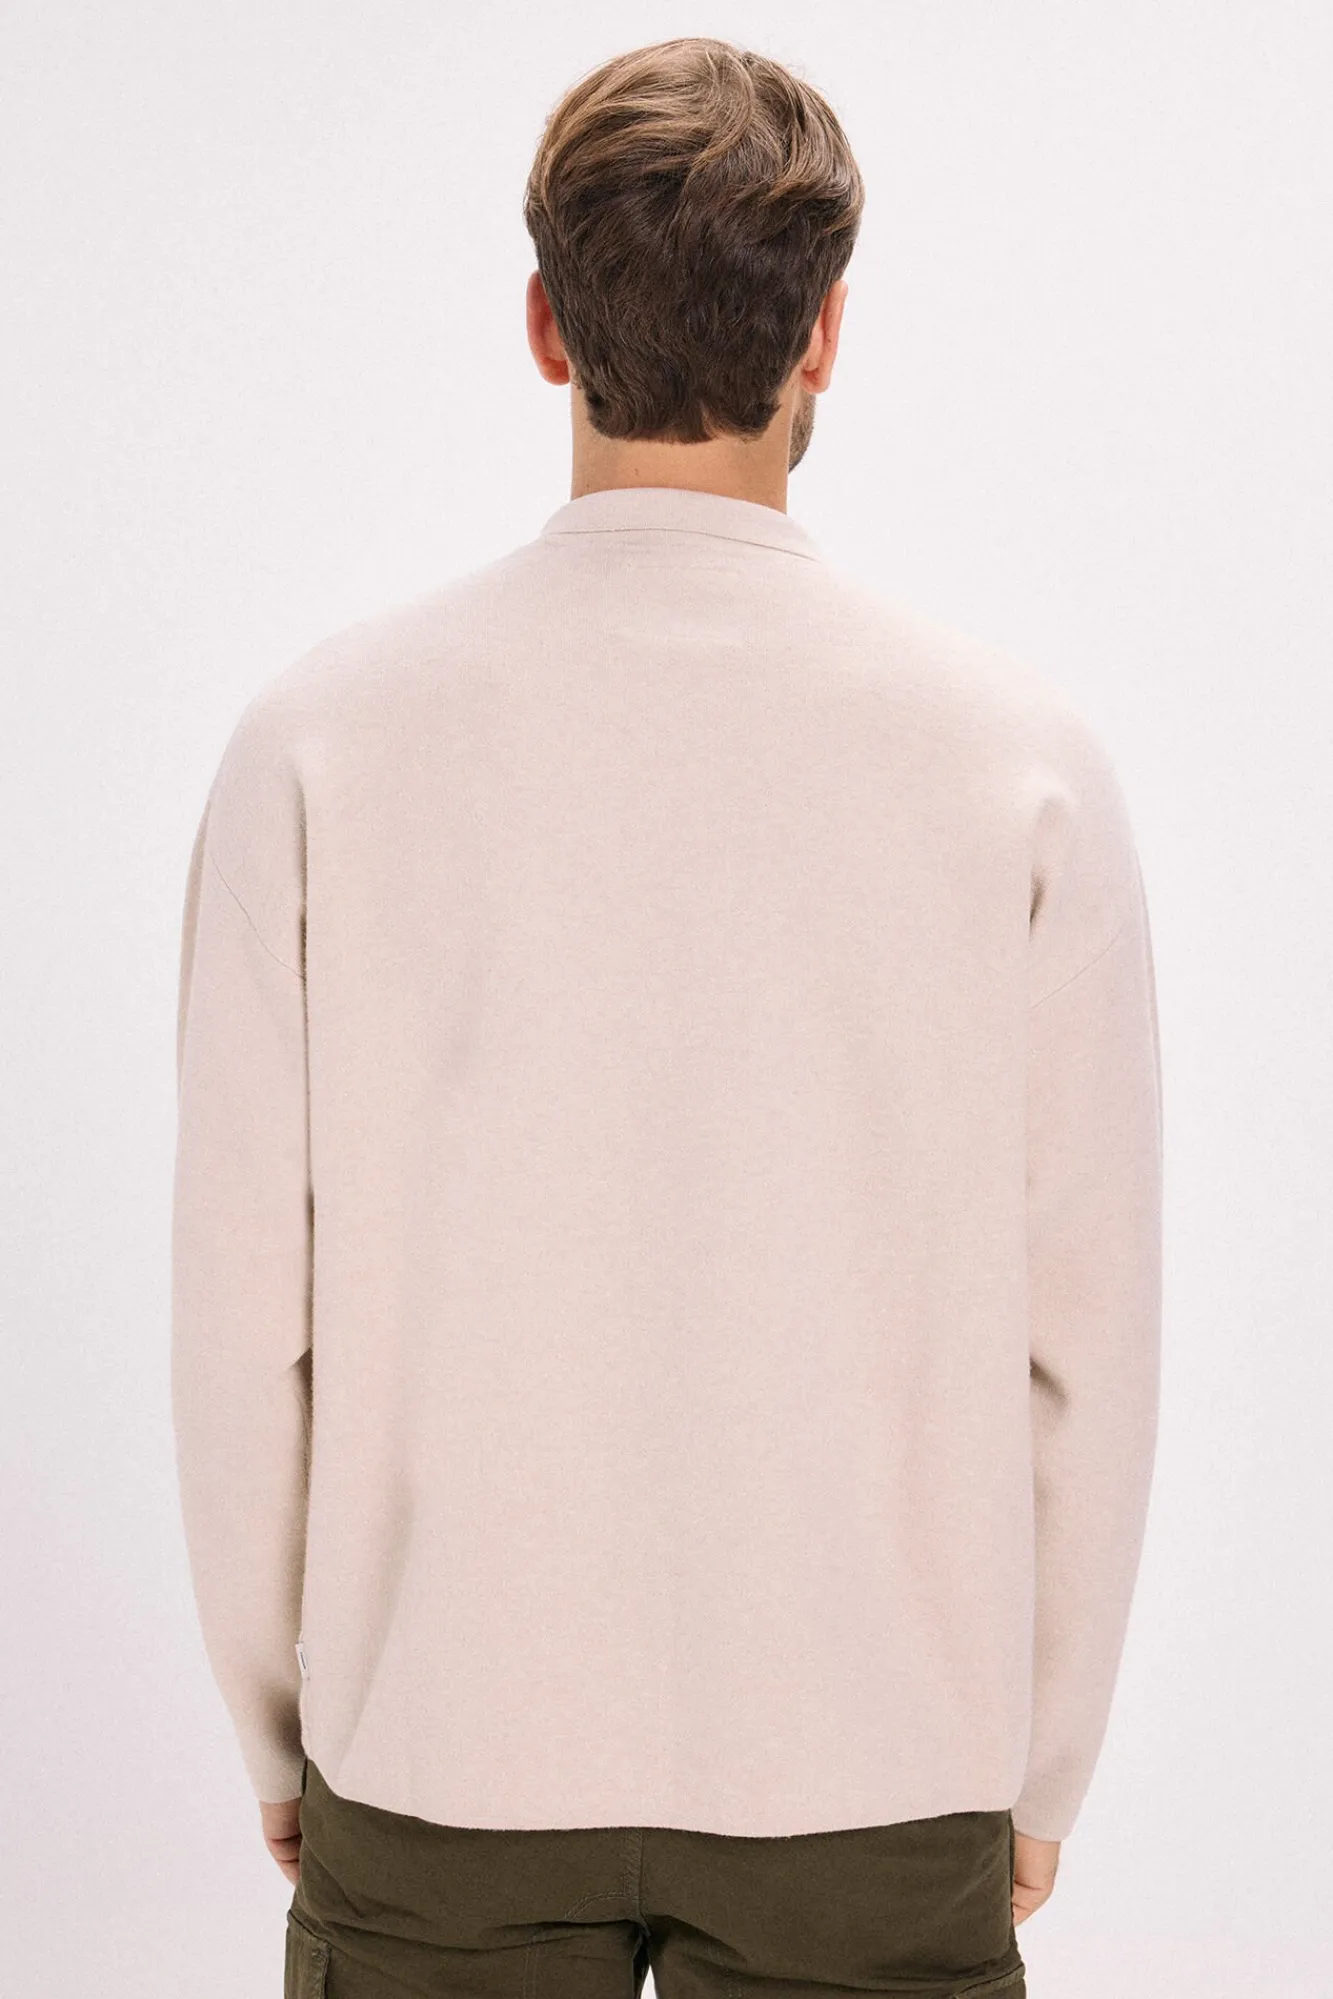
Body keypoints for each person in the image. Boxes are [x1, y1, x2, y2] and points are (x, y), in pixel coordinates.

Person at [170, 35, 1162, 1999]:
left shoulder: (319, 750)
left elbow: (237, 1321)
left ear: (546, 324)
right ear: (828, 335)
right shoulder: (1020, 771)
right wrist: (1041, 1760)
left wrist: (285, 1728)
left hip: (440, 1748)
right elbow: (1089, 1334)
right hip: (880, 1765)